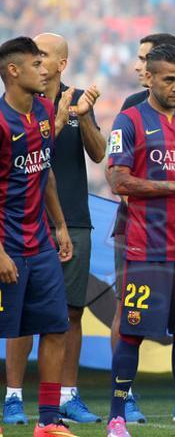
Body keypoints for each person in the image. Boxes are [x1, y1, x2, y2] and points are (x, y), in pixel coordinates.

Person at [105, 44, 175, 437]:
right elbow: (118, 180)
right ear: (148, 78)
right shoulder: (129, 120)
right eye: (169, 79)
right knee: (132, 332)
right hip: (144, 247)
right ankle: (117, 418)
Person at [2, 32, 105, 427]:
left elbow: (82, 158)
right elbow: (34, 156)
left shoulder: (61, 105)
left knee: (64, 317)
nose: (40, 64)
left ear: (62, 63)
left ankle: (58, 407)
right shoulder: (18, 110)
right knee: (16, 319)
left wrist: (81, 115)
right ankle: (13, 397)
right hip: (15, 230)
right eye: (33, 58)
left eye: (45, 57)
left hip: (59, 226)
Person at [0, 36, 76, 437]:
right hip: (5, 243)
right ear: (14, 71)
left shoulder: (44, 111)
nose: (44, 68)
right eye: (36, 63)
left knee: (55, 327)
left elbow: (43, 171)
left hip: (40, 242)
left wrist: (59, 224)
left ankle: (48, 421)